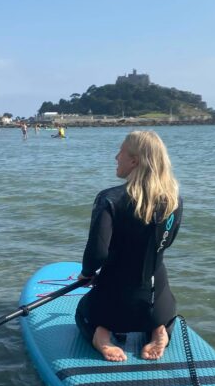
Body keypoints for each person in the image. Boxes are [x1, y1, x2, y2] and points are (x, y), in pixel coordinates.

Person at [75, 131, 183, 362]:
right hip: (159, 304)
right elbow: (165, 243)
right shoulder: (174, 200)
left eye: (121, 152)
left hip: (113, 304)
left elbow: (97, 253)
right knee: (163, 312)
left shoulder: (109, 199)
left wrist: (86, 274)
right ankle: (158, 330)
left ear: (134, 161)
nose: (116, 157)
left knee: (82, 312)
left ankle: (102, 335)